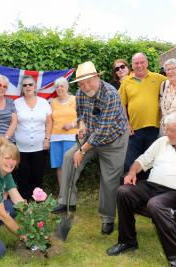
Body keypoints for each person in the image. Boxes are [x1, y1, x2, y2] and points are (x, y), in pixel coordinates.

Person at [106, 112, 176, 267]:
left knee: (155, 204)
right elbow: (142, 160)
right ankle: (127, 241)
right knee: (124, 191)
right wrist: (132, 172)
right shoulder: (161, 142)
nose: (167, 133)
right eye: (166, 129)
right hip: (152, 186)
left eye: (171, 130)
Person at [52, 61, 128, 236]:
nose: (86, 86)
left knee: (109, 179)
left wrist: (82, 150)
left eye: (89, 81)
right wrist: (82, 127)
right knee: (68, 158)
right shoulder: (80, 93)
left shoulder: (110, 94)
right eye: (81, 83)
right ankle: (66, 202)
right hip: (91, 135)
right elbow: (82, 116)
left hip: (114, 141)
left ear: (97, 77)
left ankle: (107, 218)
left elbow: (103, 131)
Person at [119, 53, 176, 175]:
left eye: (142, 62)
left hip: (154, 129)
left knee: (151, 163)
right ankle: (132, 189)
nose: (139, 65)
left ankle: (148, 189)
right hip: (134, 130)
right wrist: (126, 124)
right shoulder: (126, 82)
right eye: (136, 63)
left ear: (147, 63)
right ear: (132, 65)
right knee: (129, 163)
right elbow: (122, 104)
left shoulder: (159, 78)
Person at [13, 75, 52, 200]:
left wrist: (47, 139)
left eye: (30, 84)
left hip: (40, 146)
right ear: (22, 88)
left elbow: (49, 123)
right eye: (25, 85)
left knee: (37, 176)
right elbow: (12, 123)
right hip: (20, 148)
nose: (28, 87)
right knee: (22, 177)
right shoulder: (16, 103)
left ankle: (38, 203)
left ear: (35, 87)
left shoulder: (44, 102)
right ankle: (24, 203)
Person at [49, 77, 77, 186]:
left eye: (62, 86)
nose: (59, 88)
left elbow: (83, 116)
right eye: (57, 87)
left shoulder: (75, 99)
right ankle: (63, 192)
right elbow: (50, 120)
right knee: (59, 166)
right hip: (55, 138)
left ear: (67, 87)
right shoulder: (52, 102)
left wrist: (72, 124)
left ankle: (70, 190)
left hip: (71, 137)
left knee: (70, 164)